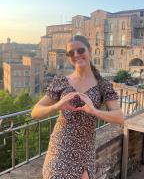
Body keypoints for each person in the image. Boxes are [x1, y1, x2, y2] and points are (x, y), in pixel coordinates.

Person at [31, 35, 124, 179]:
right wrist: (57, 106)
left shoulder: (103, 85)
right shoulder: (62, 81)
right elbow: (35, 113)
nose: (76, 55)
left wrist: (94, 111)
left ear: (90, 51)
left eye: (80, 50)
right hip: (60, 146)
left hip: (85, 148)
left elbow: (119, 117)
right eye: (71, 53)